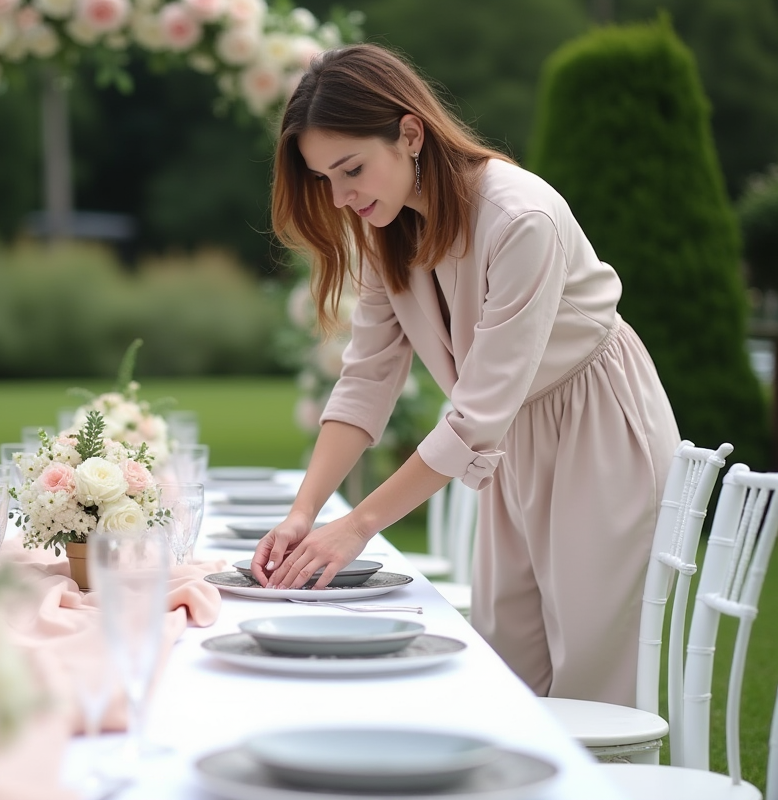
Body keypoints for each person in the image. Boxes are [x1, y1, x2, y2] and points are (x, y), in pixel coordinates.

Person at [252, 43, 680, 706]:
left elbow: (475, 415)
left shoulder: (520, 219)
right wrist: (306, 513)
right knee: (508, 669)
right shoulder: (384, 229)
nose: (340, 197)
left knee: (594, 681)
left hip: (597, 432)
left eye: (351, 169)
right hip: (507, 448)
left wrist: (359, 524)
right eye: (324, 180)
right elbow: (366, 378)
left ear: (410, 132)